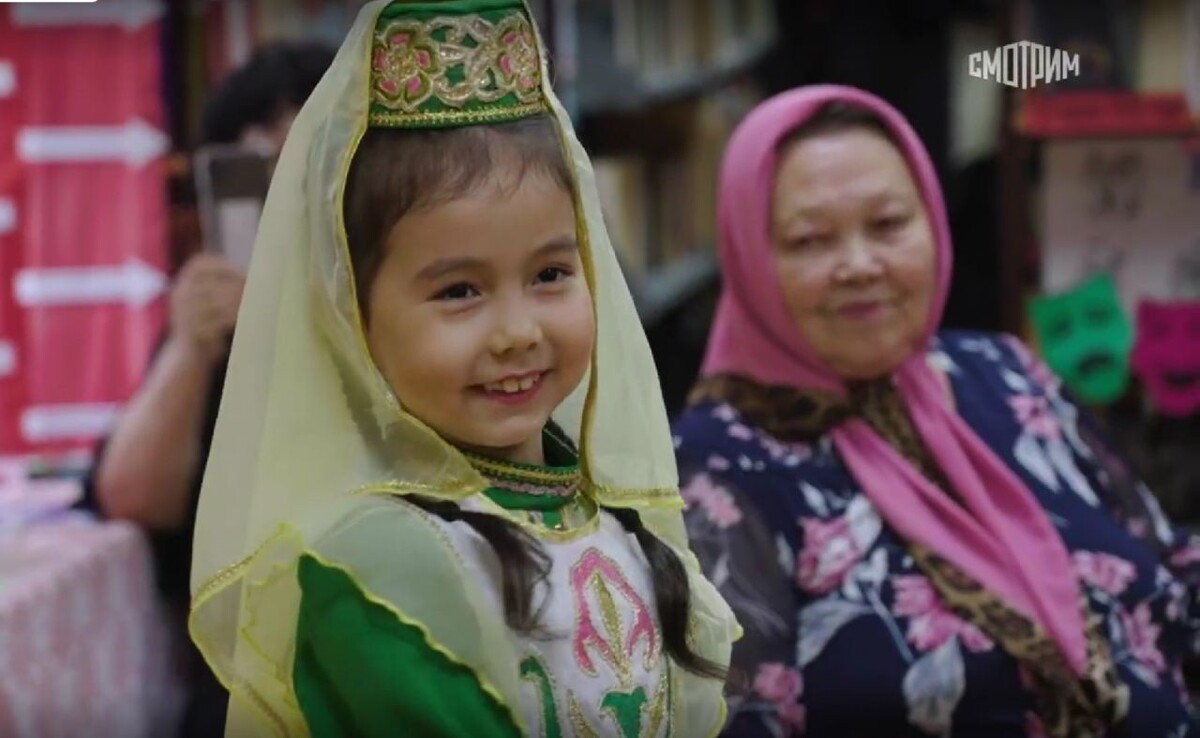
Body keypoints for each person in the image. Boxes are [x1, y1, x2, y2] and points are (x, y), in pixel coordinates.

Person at [187, 1, 739, 736]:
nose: (517, 332)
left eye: (550, 273)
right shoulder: (378, 569)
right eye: (459, 291)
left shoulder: (614, 524)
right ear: (355, 319)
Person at [672, 84, 1200, 737]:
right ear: (749, 259)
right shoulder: (711, 473)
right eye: (810, 240)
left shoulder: (1005, 373)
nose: (860, 265)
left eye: (890, 224)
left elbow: (1167, 557)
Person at [81, 40, 334, 738]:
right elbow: (130, 494)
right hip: (242, 692)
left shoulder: (409, 308)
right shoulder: (219, 321)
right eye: (257, 178)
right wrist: (192, 350)